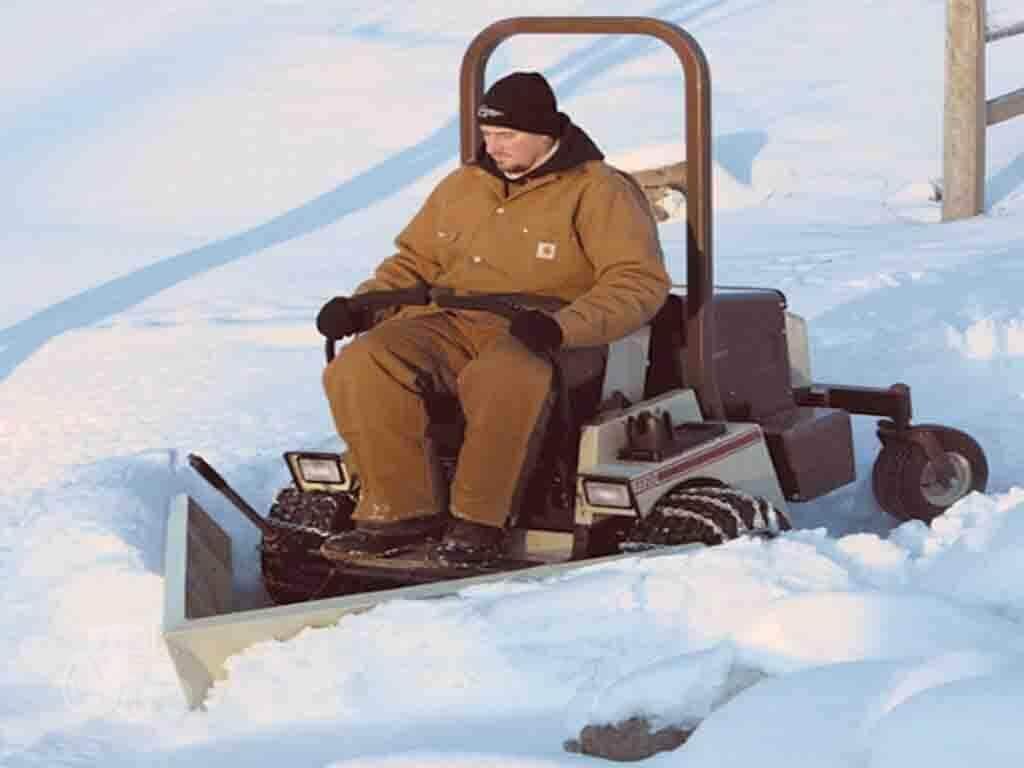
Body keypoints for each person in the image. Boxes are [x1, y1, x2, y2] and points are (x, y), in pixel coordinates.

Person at [316, 71, 670, 565]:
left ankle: (478, 523)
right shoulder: (465, 185)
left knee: (502, 374)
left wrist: (563, 326)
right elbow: (413, 263)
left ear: (546, 134)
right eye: (488, 135)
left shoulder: (598, 190)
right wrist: (363, 304)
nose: (494, 147)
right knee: (364, 362)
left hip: (551, 331)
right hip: (455, 320)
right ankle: (399, 513)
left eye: (507, 136)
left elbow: (637, 281)